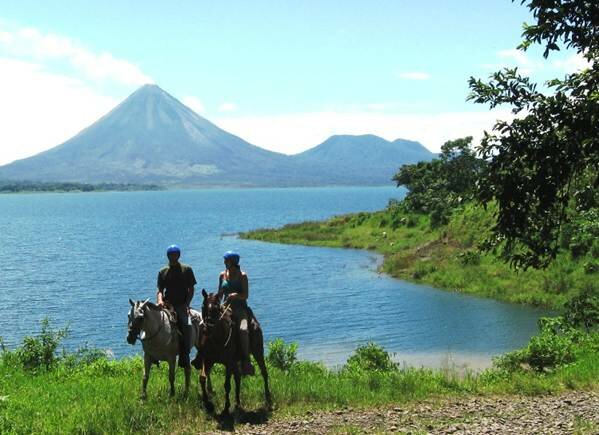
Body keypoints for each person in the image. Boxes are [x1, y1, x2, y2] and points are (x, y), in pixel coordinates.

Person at [156, 244, 196, 368]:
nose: (173, 257)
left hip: (181, 305)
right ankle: (153, 353)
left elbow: (191, 289)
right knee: (153, 323)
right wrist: (160, 301)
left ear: (178, 256)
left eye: (175, 255)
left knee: (187, 325)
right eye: (171, 255)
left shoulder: (187, 269)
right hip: (167, 305)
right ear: (168, 256)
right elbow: (160, 290)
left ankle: (185, 353)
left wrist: (187, 304)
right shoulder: (163, 272)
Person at [217, 250, 255, 376]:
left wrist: (235, 295)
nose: (224, 262)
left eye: (226, 261)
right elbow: (220, 293)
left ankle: (246, 360)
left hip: (240, 309)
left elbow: (246, 295)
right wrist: (214, 302)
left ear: (232, 262)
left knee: (243, 330)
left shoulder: (242, 275)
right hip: (226, 308)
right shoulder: (222, 275)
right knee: (210, 325)